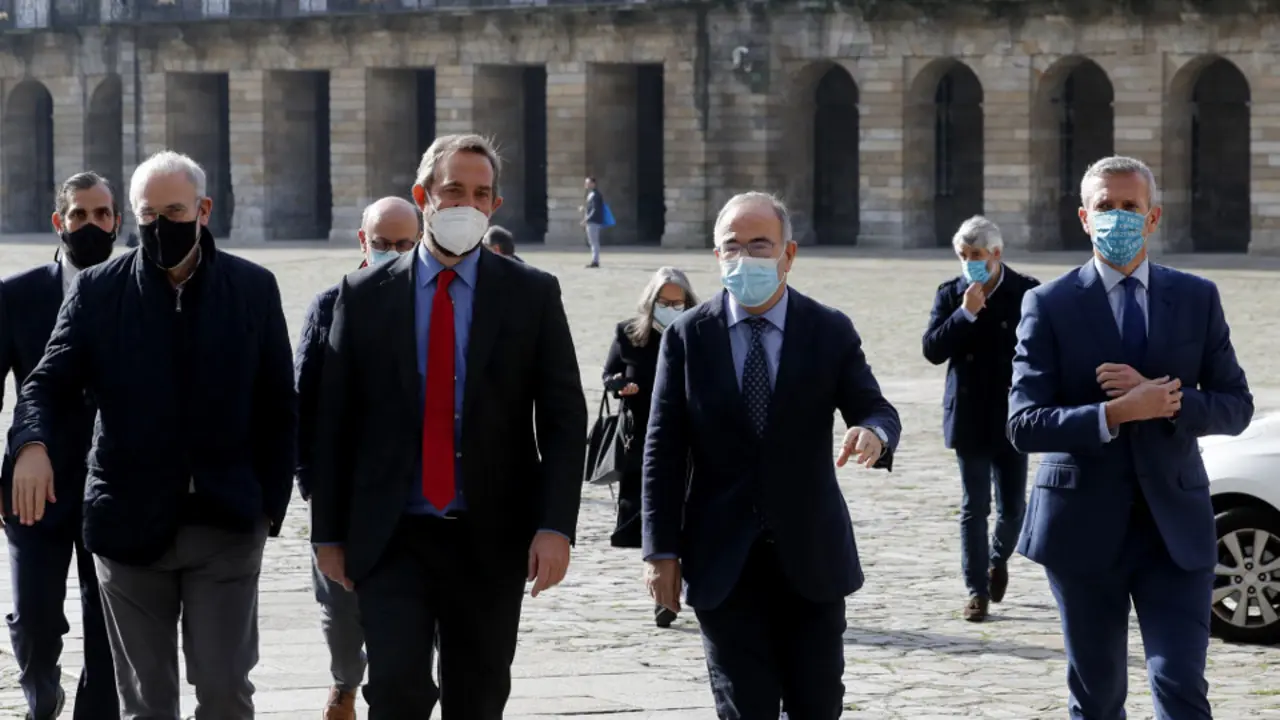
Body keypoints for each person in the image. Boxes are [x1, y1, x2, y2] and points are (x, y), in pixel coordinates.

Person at [6, 150, 297, 719]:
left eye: (174, 210)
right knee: (146, 702)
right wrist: (31, 446)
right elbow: (44, 384)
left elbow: (279, 403)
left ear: (203, 210)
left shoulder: (253, 288)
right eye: (147, 214)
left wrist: (269, 506)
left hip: (226, 522)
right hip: (128, 523)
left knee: (224, 689)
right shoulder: (97, 291)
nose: (160, 226)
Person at [310, 133, 588, 719]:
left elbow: (564, 418)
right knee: (397, 692)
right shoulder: (362, 296)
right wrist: (328, 533)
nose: (467, 204)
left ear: (494, 206)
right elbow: (334, 422)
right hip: (393, 535)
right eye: (453, 190)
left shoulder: (531, 294)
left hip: (490, 534)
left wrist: (556, 527)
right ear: (422, 197)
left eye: (481, 193)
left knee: (479, 696)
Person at [1008, 155, 1253, 719]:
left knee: (1180, 683)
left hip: (1176, 528)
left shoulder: (1196, 298)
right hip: (1083, 529)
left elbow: (1236, 406)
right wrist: (1114, 413)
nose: (1118, 218)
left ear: (1153, 216)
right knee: (1097, 694)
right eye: (1105, 208)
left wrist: (1167, 400)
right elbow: (1023, 423)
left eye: (1130, 208)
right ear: (1084, 218)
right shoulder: (1048, 304)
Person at [642, 192, 901, 717]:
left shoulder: (828, 329)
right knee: (744, 706)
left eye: (760, 244)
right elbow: (663, 449)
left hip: (811, 557)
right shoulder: (690, 336)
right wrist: (660, 553)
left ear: (789, 253)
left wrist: (873, 432)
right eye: (731, 246)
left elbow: (874, 407)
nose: (745, 257)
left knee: (817, 703)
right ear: (716, 256)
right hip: (722, 560)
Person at [0, 171, 121, 720]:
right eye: (79, 215)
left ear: (118, 221)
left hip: (113, 483)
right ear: (59, 222)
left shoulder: (136, 290)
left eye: (101, 215)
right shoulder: (17, 296)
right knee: (33, 617)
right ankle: (40, 693)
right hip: (35, 481)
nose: (90, 225)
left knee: (108, 623)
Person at [295, 196, 420, 720]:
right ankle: (345, 681)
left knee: (414, 616)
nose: (392, 253)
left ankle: (397, 693)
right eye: (382, 243)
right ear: (362, 243)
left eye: (404, 245)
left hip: (412, 492)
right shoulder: (330, 304)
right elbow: (304, 401)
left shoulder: (433, 305)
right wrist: (312, 485)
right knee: (341, 609)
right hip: (345, 492)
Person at [921, 215, 1039, 622]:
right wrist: (965, 314)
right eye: (963, 255)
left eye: (977, 255)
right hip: (969, 414)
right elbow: (932, 350)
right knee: (975, 507)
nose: (970, 262)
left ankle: (997, 559)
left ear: (996, 254)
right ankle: (976, 591)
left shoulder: (1025, 292)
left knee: (1014, 509)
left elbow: (1042, 348)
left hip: (1011, 415)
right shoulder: (951, 293)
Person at [601, 266, 699, 628]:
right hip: (641, 439)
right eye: (664, 301)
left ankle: (685, 582)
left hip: (692, 439)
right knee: (651, 516)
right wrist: (619, 386)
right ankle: (662, 597)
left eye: (678, 302)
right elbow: (609, 374)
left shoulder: (699, 332)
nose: (672, 307)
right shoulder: (629, 334)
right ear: (651, 301)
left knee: (690, 513)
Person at [580, 176, 605, 268]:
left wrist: (586, 219)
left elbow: (595, 209)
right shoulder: (592, 194)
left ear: (593, 184)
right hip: (592, 221)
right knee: (593, 242)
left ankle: (595, 261)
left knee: (594, 242)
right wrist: (584, 209)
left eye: (588, 183)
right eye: (586, 183)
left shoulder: (595, 194)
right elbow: (592, 208)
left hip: (593, 221)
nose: (586, 184)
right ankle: (595, 260)